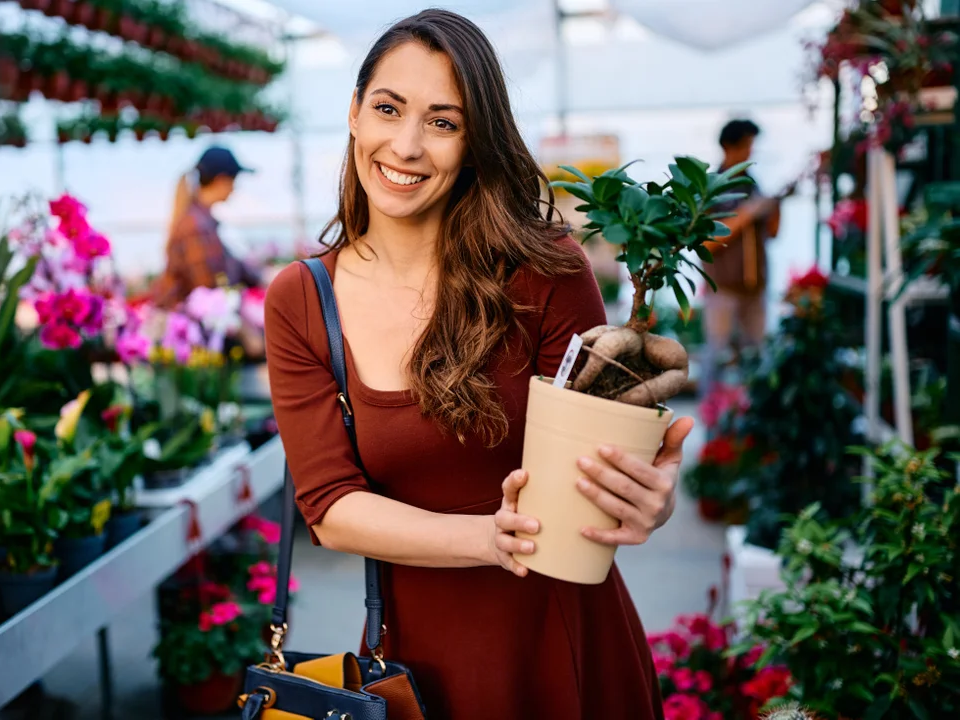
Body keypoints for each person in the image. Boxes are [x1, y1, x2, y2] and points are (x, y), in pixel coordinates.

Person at [264, 10, 692, 719]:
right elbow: (331, 508)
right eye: (388, 109)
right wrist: (487, 539)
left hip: (564, 641)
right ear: (353, 112)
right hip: (414, 672)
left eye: (443, 122)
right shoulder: (303, 300)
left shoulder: (545, 270)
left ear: (474, 141)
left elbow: (598, 468)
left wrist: (646, 497)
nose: (406, 145)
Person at [700, 119, 794, 389]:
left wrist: (776, 205)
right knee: (716, 356)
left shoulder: (752, 185)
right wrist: (748, 213)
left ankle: (747, 420)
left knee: (756, 358)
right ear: (729, 146)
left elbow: (772, 234)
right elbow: (706, 243)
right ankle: (711, 422)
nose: (750, 153)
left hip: (755, 287)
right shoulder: (712, 187)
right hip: (723, 288)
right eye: (747, 145)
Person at [151, 146, 264, 308]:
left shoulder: (203, 222)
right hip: (194, 326)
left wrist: (263, 277)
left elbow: (235, 269)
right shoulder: (195, 226)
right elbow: (209, 292)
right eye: (233, 180)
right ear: (221, 180)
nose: (234, 188)